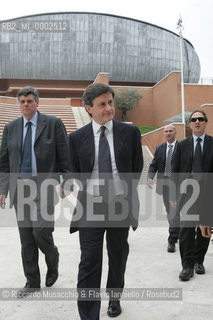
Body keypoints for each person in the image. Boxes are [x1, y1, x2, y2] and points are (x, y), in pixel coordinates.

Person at [68, 83, 143, 319]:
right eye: (102, 104)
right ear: (89, 108)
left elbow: (136, 166)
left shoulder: (130, 133)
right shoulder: (77, 138)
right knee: (89, 260)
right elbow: (76, 170)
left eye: (110, 102)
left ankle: (114, 297)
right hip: (91, 205)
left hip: (120, 204)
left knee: (118, 254)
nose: (109, 108)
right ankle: (89, 314)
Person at [0, 86, 70, 297]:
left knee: (41, 232)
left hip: (45, 187)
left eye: (29, 100)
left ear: (37, 102)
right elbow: (3, 163)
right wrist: (3, 189)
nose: (25, 104)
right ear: (18, 104)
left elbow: (64, 154)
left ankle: (52, 258)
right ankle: (32, 282)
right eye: (22, 101)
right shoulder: (10, 128)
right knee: (27, 238)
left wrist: (67, 182)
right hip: (20, 188)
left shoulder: (53, 124)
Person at [173, 110, 213, 281]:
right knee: (187, 230)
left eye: (200, 119)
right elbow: (174, 171)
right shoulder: (182, 145)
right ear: (190, 124)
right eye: (194, 119)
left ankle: (199, 260)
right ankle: (187, 265)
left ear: (206, 122)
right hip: (188, 193)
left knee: (204, 229)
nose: (197, 121)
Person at [147, 124, 180, 252]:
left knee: (174, 210)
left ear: (175, 132)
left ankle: (172, 239)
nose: (168, 133)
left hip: (178, 184)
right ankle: (178, 233)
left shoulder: (181, 147)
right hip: (164, 184)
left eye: (170, 131)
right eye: (166, 131)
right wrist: (150, 177)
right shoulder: (160, 148)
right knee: (170, 210)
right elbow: (153, 165)